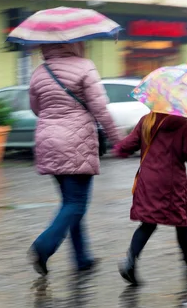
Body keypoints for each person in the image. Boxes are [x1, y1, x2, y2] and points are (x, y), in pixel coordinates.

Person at [28, 42, 121, 275]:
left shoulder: (39, 71)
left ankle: (82, 258)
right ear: (74, 43)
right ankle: (43, 245)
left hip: (48, 140)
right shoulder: (84, 66)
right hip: (76, 140)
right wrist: (117, 139)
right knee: (76, 203)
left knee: (70, 202)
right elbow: (100, 108)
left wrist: (56, 113)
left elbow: (36, 108)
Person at [113, 111, 187, 286]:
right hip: (172, 182)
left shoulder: (146, 121)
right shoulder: (184, 125)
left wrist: (118, 148)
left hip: (148, 180)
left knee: (148, 223)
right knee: (182, 223)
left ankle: (130, 262)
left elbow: (128, 145)